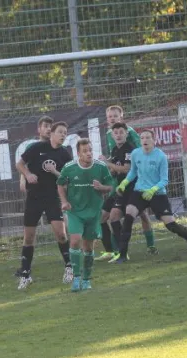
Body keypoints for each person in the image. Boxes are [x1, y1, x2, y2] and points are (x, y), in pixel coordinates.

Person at [114, 130, 187, 263]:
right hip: (139, 192)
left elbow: (164, 180)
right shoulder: (136, 153)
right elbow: (133, 172)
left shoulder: (161, 156)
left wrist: (152, 190)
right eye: (142, 138)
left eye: (147, 138)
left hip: (157, 193)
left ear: (154, 140)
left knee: (170, 224)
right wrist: (124, 183)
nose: (144, 140)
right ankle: (122, 254)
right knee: (129, 216)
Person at [15, 121, 73, 290]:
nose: (63, 135)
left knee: (61, 234)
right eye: (60, 132)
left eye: (65, 133)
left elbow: (67, 178)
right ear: (52, 133)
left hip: (52, 197)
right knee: (29, 237)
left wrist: (54, 172)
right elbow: (19, 164)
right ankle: (25, 274)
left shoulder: (64, 154)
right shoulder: (37, 147)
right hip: (34, 197)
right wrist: (28, 174)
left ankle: (69, 268)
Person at [95, 106, 156, 261]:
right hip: (120, 181)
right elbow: (116, 157)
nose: (112, 118)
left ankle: (150, 245)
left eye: (115, 116)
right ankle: (114, 251)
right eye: (109, 116)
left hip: (136, 179)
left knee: (140, 213)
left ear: (121, 117)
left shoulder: (129, 133)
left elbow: (138, 154)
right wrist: (109, 166)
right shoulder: (111, 135)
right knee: (108, 215)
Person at [57, 138, 113, 292]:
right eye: (85, 151)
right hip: (75, 211)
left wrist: (102, 187)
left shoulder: (101, 167)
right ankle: (76, 278)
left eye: (90, 150)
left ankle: (86, 279)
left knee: (88, 247)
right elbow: (60, 184)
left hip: (94, 213)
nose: (89, 153)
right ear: (78, 154)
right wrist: (64, 201)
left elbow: (111, 186)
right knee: (75, 241)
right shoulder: (69, 168)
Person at [19, 116, 53, 193]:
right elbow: (24, 165)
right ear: (39, 130)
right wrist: (23, 179)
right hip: (36, 189)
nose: (49, 129)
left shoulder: (58, 147)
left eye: (51, 127)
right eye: (46, 126)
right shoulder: (31, 147)